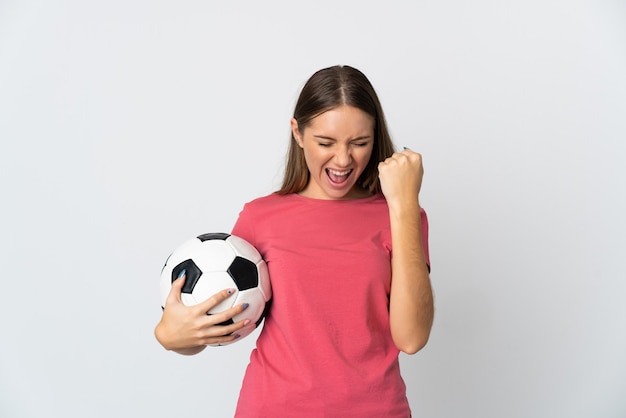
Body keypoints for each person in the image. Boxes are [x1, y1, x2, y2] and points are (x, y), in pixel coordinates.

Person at [155, 65, 434, 417]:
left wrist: (405, 204)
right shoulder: (260, 218)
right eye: (326, 142)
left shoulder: (401, 216)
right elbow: (223, 319)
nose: (344, 159)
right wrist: (173, 336)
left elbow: (411, 338)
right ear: (298, 133)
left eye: (360, 143)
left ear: (375, 138)